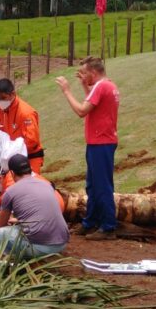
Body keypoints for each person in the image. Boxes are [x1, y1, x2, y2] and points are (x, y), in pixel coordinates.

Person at [55, 56, 120, 241]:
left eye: (84, 73)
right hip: (100, 142)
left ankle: (108, 227)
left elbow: (82, 111)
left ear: (93, 72)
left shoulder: (101, 86)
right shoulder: (108, 85)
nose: (83, 76)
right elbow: (92, 101)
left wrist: (67, 91)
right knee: (93, 185)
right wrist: (84, 85)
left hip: (101, 143)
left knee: (102, 186)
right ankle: (90, 222)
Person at [0, 154, 69, 258]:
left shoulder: (10, 192)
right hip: (62, 243)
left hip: (41, 247)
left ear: (12, 173)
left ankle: (12, 263)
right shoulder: (46, 184)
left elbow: (1, 224)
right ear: (30, 168)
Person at [0, 78, 44, 174]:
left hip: (29, 157)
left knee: (29, 187)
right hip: (7, 158)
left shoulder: (26, 112)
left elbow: (32, 141)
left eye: (3, 98)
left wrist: (12, 152)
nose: (0, 102)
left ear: (12, 94)